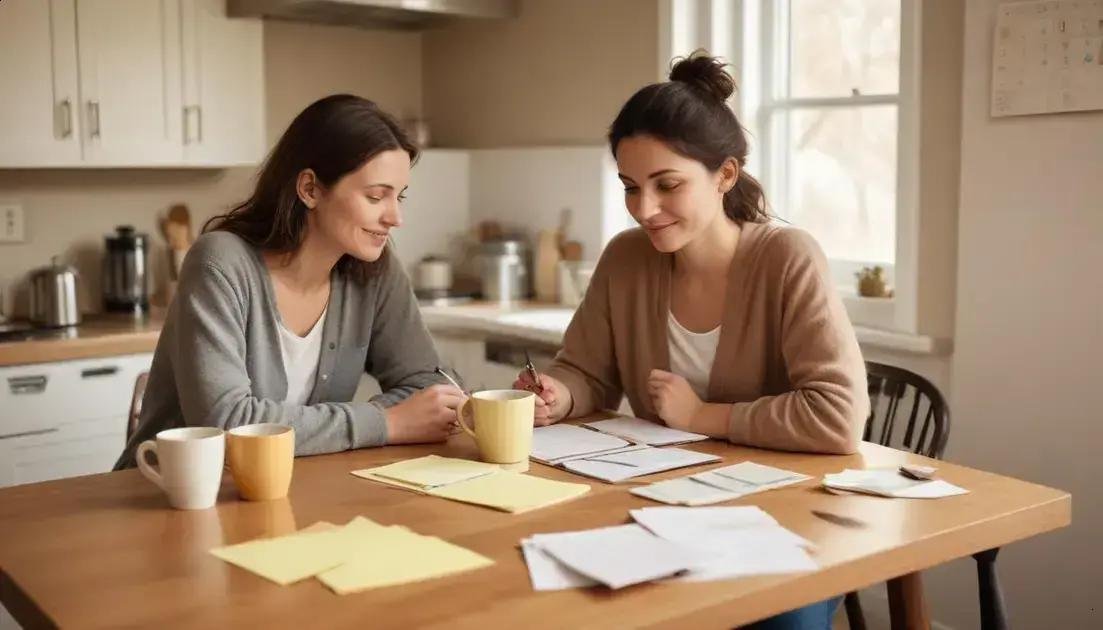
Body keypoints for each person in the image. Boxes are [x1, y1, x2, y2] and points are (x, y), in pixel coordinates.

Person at [516, 53, 869, 629]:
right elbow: (586, 370)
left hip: (785, 520)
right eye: (631, 187)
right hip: (662, 510)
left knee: (777, 621)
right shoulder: (626, 259)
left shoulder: (787, 258)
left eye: (667, 185)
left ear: (725, 175)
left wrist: (704, 416)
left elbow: (837, 417)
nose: (644, 209)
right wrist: (560, 394)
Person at [116, 94, 462, 469]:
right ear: (310, 189)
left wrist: (400, 417)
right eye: (376, 196)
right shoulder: (219, 264)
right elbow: (227, 424)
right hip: (167, 489)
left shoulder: (375, 270)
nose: (395, 218)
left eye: (399, 197)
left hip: (287, 486)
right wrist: (386, 422)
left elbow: (431, 387)